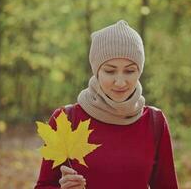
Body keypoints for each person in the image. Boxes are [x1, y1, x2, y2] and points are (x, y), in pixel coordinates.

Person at [34, 20, 179, 189]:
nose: (120, 82)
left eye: (130, 71)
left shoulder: (155, 122)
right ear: (96, 71)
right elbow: (43, 185)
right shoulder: (66, 119)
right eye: (110, 71)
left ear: (139, 71)